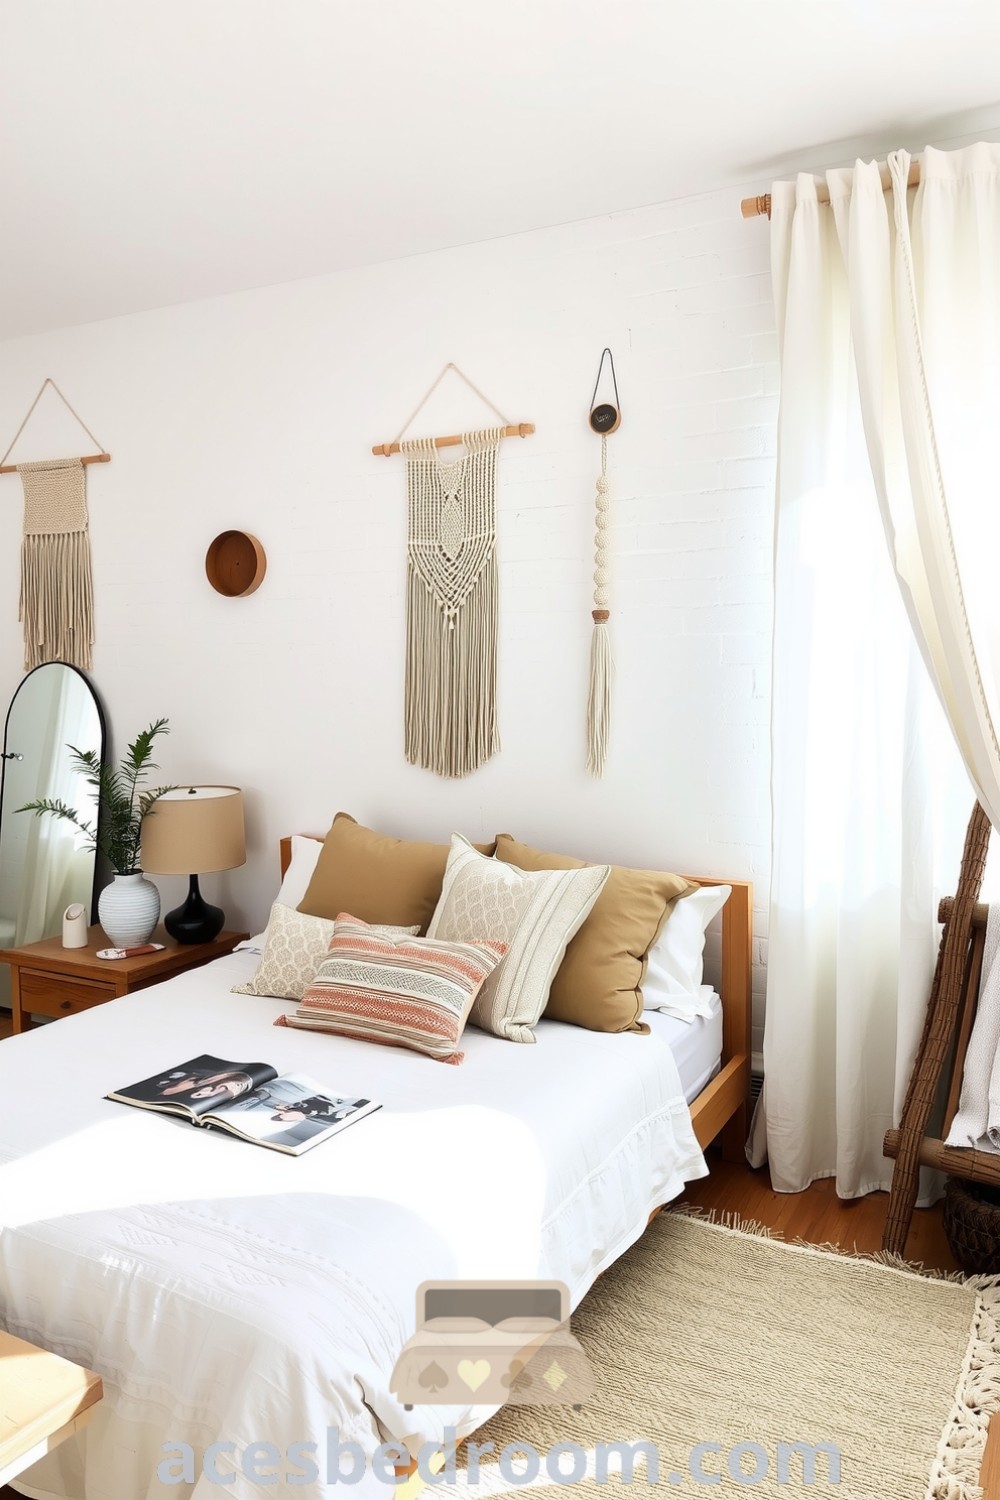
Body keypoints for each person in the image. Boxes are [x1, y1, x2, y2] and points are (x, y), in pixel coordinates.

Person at [270, 1094, 361, 1124]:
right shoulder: (307, 1115)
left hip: (341, 1103)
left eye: (282, 1115)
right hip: (343, 1110)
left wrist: (286, 1107)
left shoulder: (298, 1105)